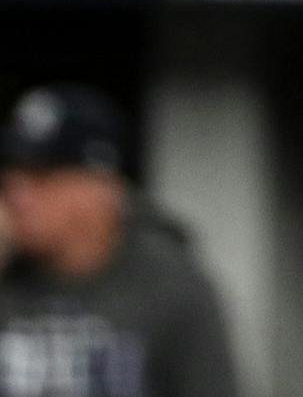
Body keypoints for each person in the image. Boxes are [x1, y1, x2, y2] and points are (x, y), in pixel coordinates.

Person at [0, 84, 241, 397]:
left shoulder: (170, 285)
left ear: (102, 187)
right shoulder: (6, 272)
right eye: (13, 175)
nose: (18, 195)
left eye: (42, 177)